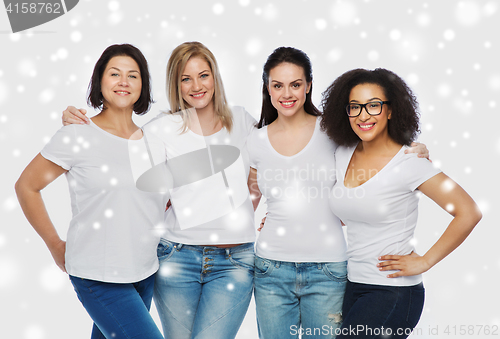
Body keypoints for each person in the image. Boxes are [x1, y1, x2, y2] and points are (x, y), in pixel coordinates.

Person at [62, 41, 256, 339]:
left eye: (203, 75)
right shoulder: (160, 129)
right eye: (185, 78)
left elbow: (275, 152)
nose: (196, 86)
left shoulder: (242, 120)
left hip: (235, 261)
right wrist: (77, 122)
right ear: (175, 84)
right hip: (176, 257)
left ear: (215, 77)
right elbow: (116, 147)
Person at [15, 44, 165, 339]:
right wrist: (54, 244)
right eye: (115, 74)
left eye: (133, 76)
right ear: (100, 81)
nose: (124, 81)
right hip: (98, 275)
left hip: (145, 271)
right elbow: (27, 186)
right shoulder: (77, 135)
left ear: (143, 86)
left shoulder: (155, 140)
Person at [320, 68, 482, 339]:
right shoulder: (342, 153)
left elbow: (468, 212)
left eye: (373, 105)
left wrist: (425, 261)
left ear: (391, 111)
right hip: (353, 285)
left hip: (393, 291)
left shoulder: (409, 162)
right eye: (355, 107)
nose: (363, 115)